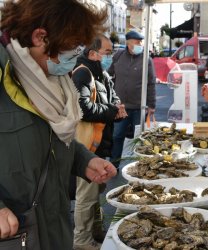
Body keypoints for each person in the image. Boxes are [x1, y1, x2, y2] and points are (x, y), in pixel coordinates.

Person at [0, 1, 117, 249]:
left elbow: (49, 141)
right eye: (72, 50)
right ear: (40, 37)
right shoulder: (5, 76)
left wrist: (84, 160)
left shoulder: (50, 80)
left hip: (56, 229)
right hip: (15, 235)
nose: (74, 60)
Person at [71, 34, 126, 250]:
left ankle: (95, 230)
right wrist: (112, 112)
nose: (110, 56)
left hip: (99, 143)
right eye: (107, 52)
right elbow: (82, 109)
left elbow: (112, 97)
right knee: (86, 195)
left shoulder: (101, 73)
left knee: (95, 191)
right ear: (93, 53)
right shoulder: (82, 73)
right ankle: (81, 241)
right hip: (87, 146)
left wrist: (117, 107)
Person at [108, 30, 156, 168]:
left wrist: (151, 105)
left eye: (141, 42)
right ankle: (114, 164)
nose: (140, 44)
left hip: (139, 107)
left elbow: (151, 83)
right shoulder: (118, 56)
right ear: (128, 43)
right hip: (120, 107)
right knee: (117, 136)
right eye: (137, 42)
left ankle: (139, 166)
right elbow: (110, 75)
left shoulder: (147, 59)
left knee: (139, 139)